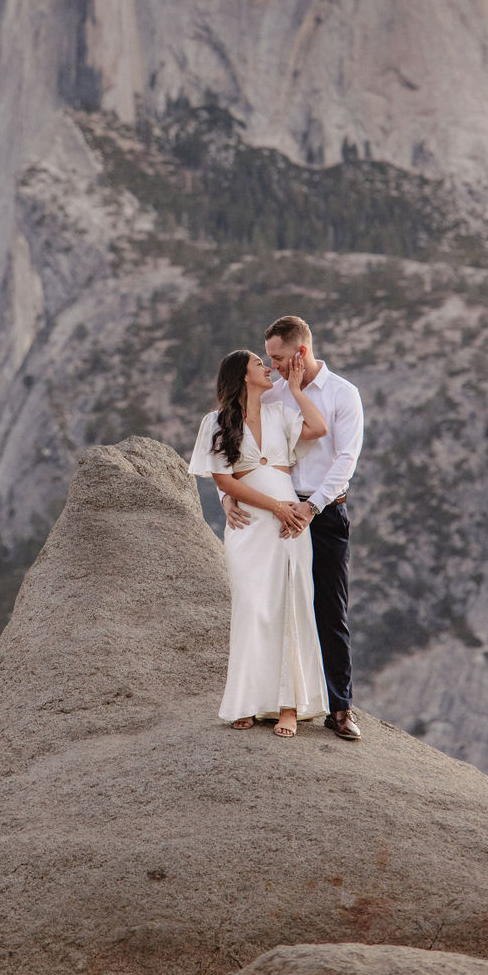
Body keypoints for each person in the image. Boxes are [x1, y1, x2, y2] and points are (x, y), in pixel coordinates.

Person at [220, 315, 364, 740]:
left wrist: (312, 508)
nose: (273, 365)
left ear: (300, 352)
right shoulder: (270, 393)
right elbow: (240, 447)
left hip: (323, 511)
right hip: (272, 513)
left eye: (278, 357)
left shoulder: (343, 394)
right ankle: (270, 700)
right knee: (277, 606)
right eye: (268, 359)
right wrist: (229, 495)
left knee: (330, 610)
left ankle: (340, 709)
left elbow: (345, 459)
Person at [189, 348, 329, 736]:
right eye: (258, 364)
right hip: (252, 526)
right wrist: (275, 508)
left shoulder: (280, 413)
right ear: (241, 375)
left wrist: (298, 389)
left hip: (290, 528)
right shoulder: (215, 422)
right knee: (252, 610)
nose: (267, 368)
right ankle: (247, 701)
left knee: (289, 607)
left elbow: (318, 429)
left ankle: (288, 708)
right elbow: (224, 480)